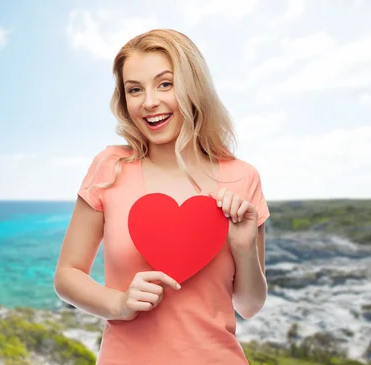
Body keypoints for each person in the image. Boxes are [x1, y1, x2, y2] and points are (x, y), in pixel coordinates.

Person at [53, 28, 270, 364]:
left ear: (192, 86)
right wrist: (120, 304)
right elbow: (67, 275)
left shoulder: (242, 177)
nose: (149, 102)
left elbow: (249, 305)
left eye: (165, 84)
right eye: (134, 90)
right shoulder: (110, 167)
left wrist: (243, 250)